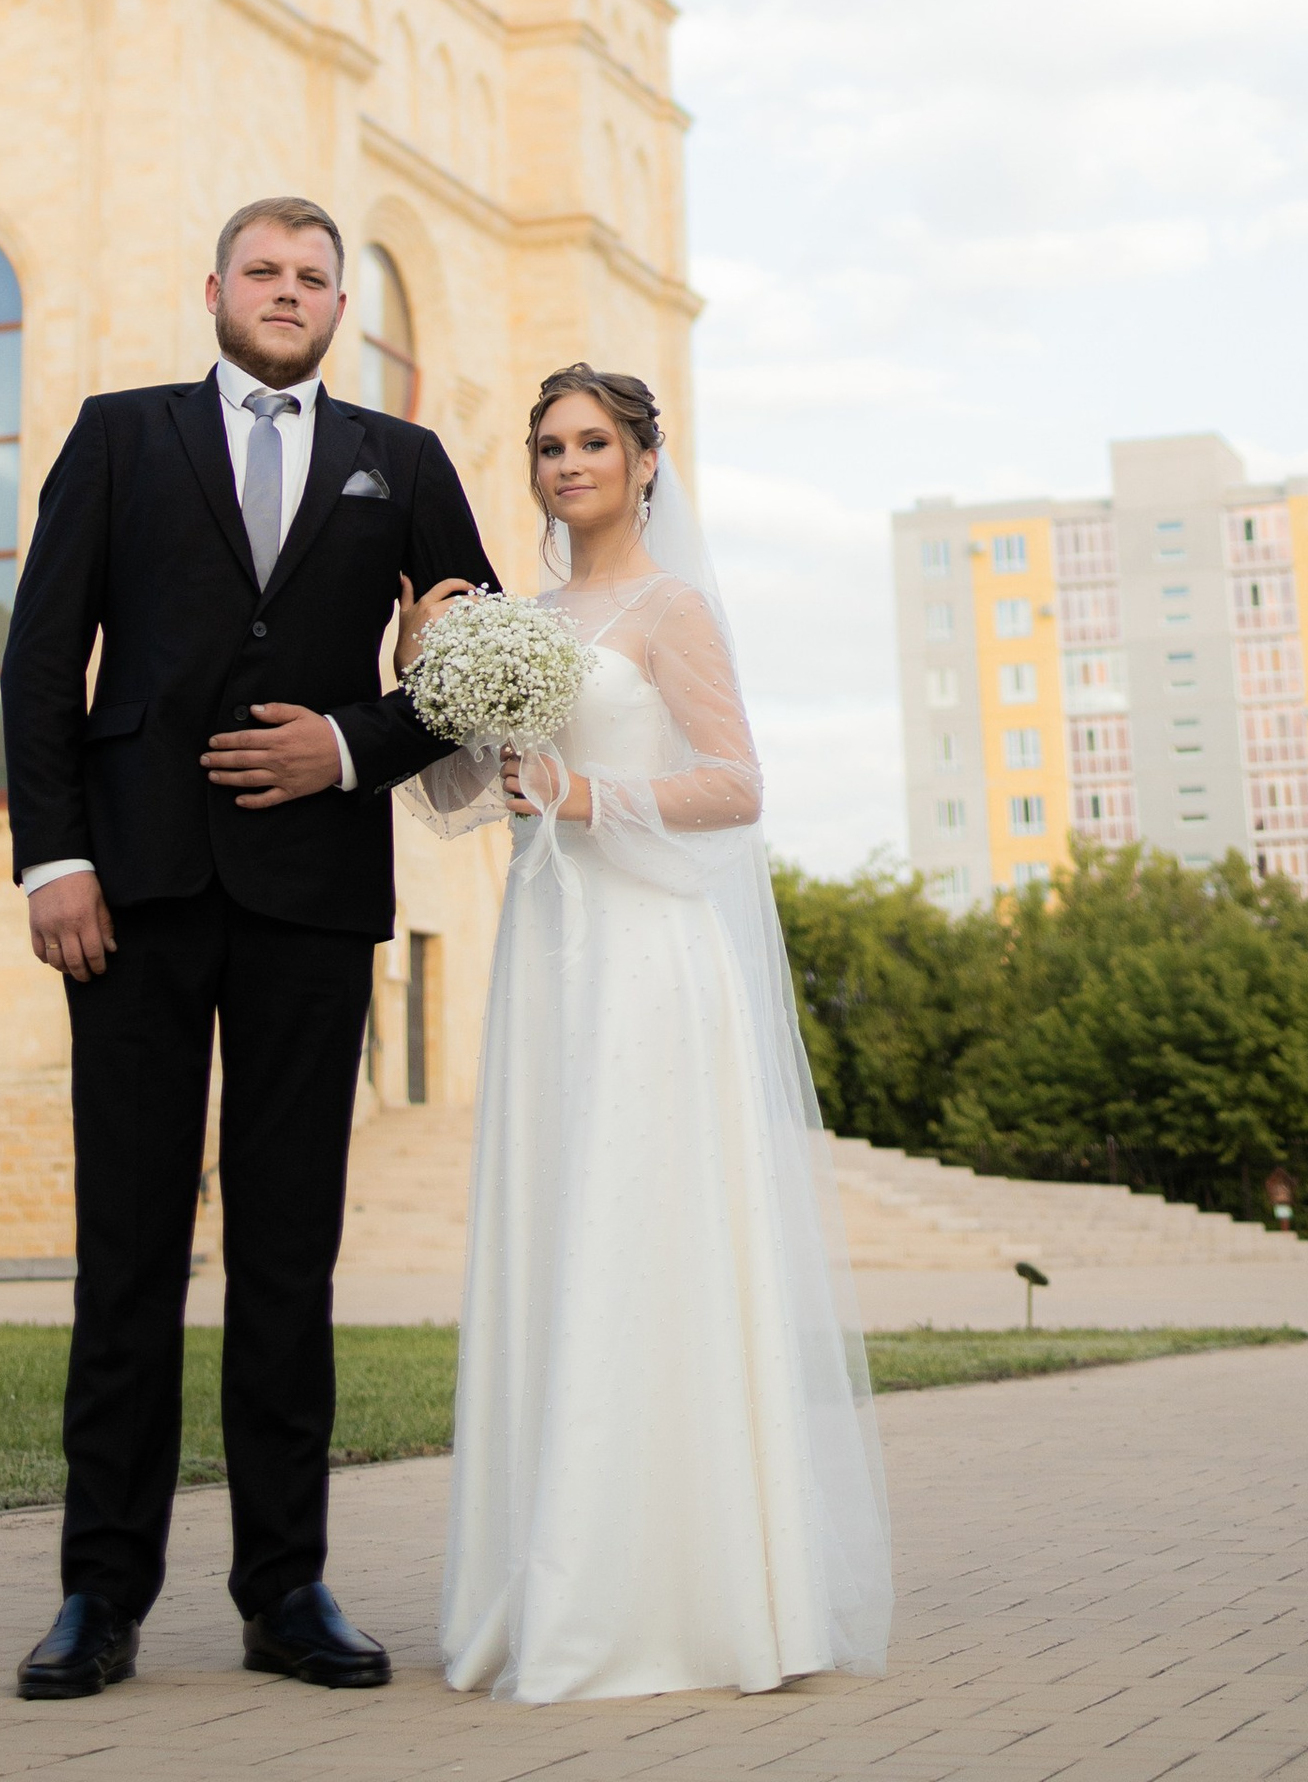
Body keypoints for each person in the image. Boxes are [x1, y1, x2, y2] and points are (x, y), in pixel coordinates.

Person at [0, 197, 494, 1702]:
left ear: (343, 305)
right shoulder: (118, 434)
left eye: (313, 278)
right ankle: (101, 1594)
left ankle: (288, 1588)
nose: (288, 294)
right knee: (128, 1253)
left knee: (292, 1257)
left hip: (314, 902)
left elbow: (480, 666)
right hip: (131, 898)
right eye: (264, 272)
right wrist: (56, 858)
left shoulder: (399, 462)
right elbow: (39, 654)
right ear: (213, 286)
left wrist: (347, 748)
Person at [411, 363, 894, 1701]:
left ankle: (681, 1593)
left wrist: (586, 793)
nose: (568, 464)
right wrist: (426, 672)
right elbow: (461, 793)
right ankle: (549, 1571)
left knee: (646, 1238)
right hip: (549, 956)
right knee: (555, 1234)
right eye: (549, 445)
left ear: (641, 464)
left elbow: (738, 783)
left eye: (592, 443)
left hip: (649, 957)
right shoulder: (513, 617)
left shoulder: (670, 607)